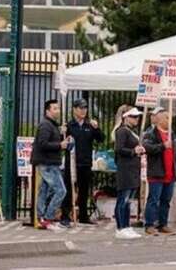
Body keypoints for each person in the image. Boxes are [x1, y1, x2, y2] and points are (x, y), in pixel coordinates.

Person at [61, 98, 104, 226]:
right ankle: (65, 216)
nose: (83, 110)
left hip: (85, 163)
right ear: (74, 109)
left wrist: (96, 128)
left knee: (84, 191)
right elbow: (61, 142)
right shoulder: (69, 126)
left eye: (85, 108)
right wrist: (61, 132)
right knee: (68, 191)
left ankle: (84, 216)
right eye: (80, 108)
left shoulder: (89, 125)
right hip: (72, 163)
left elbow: (101, 139)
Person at [32, 99, 71, 231]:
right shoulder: (46, 125)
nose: (58, 110)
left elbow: (49, 140)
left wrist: (60, 134)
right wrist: (60, 145)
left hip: (48, 162)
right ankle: (48, 218)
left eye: (58, 108)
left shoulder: (51, 125)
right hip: (48, 163)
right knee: (61, 190)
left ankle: (42, 218)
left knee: (44, 191)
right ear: (47, 111)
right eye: (55, 108)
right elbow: (42, 143)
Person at [142, 109, 176, 236]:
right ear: (159, 119)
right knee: (153, 199)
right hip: (157, 173)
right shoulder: (150, 133)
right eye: (167, 117)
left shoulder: (172, 134)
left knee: (166, 200)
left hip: (170, 173)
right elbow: (147, 148)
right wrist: (163, 146)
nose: (169, 120)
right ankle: (149, 225)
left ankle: (163, 224)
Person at [113, 107, 145, 239]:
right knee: (123, 199)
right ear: (126, 117)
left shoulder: (133, 132)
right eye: (133, 116)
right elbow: (119, 149)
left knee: (129, 200)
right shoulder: (122, 131)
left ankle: (126, 225)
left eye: (137, 117)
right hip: (125, 169)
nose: (136, 119)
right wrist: (133, 151)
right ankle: (120, 227)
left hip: (133, 168)